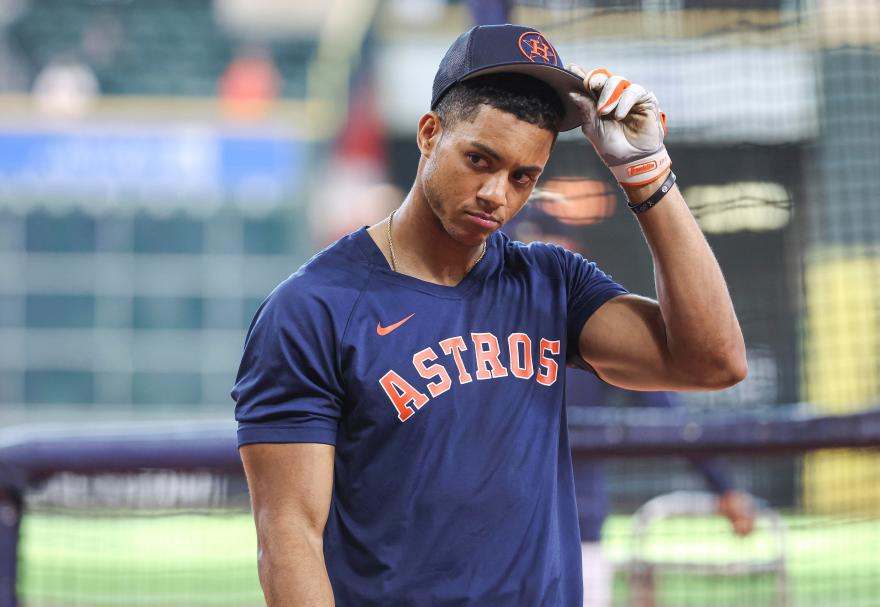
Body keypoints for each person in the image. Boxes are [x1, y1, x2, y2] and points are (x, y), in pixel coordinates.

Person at [232, 24, 746, 606]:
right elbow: (289, 539)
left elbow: (714, 363)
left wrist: (646, 173)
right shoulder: (312, 310)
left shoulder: (552, 283)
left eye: (523, 177)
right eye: (480, 160)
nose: (497, 195)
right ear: (430, 134)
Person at [506, 204, 756, 606]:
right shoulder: (480, 331)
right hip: (496, 536)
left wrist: (722, 486)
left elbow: (668, 415)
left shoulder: (589, 328)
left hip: (571, 531)